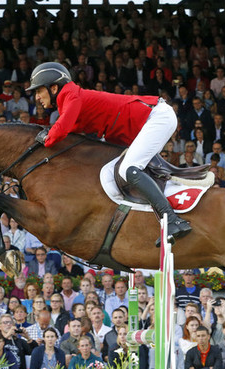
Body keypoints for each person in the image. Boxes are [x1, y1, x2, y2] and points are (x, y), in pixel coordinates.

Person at [24, 62, 190, 246]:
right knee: (114, 172)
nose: (37, 97)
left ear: (53, 87)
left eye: (39, 91)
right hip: (147, 123)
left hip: (156, 117)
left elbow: (60, 130)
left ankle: (173, 220)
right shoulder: (67, 101)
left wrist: (42, 138)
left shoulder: (71, 95)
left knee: (129, 169)